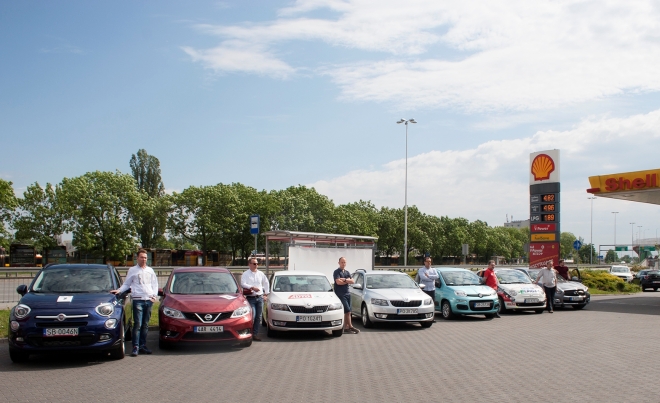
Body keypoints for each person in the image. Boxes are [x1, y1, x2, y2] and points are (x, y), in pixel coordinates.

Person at [111, 249, 158, 357]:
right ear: (137, 258)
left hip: (149, 300)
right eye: (142, 257)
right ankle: (135, 346)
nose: (144, 259)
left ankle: (143, 345)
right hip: (138, 300)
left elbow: (155, 285)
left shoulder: (150, 270)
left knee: (145, 325)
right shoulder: (132, 270)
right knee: (138, 324)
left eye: (145, 257)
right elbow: (127, 284)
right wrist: (119, 290)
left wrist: (154, 296)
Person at [241, 257, 269, 341]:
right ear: (249, 264)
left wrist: (266, 294)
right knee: (252, 316)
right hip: (251, 298)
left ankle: (255, 334)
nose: (256, 265)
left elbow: (266, 283)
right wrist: (252, 287)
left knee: (259, 317)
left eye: (257, 264)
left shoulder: (260, 274)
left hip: (259, 298)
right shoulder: (245, 274)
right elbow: (243, 284)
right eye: (254, 263)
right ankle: (248, 333)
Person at [333, 257, 358, 334]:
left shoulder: (347, 272)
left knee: (349, 311)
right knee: (347, 310)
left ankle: (346, 327)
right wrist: (347, 281)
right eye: (342, 262)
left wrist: (344, 280)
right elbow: (338, 282)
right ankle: (350, 326)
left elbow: (352, 281)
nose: (343, 264)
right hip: (340, 294)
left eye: (344, 262)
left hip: (347, 293)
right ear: (339, 263)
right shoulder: (336, 272)